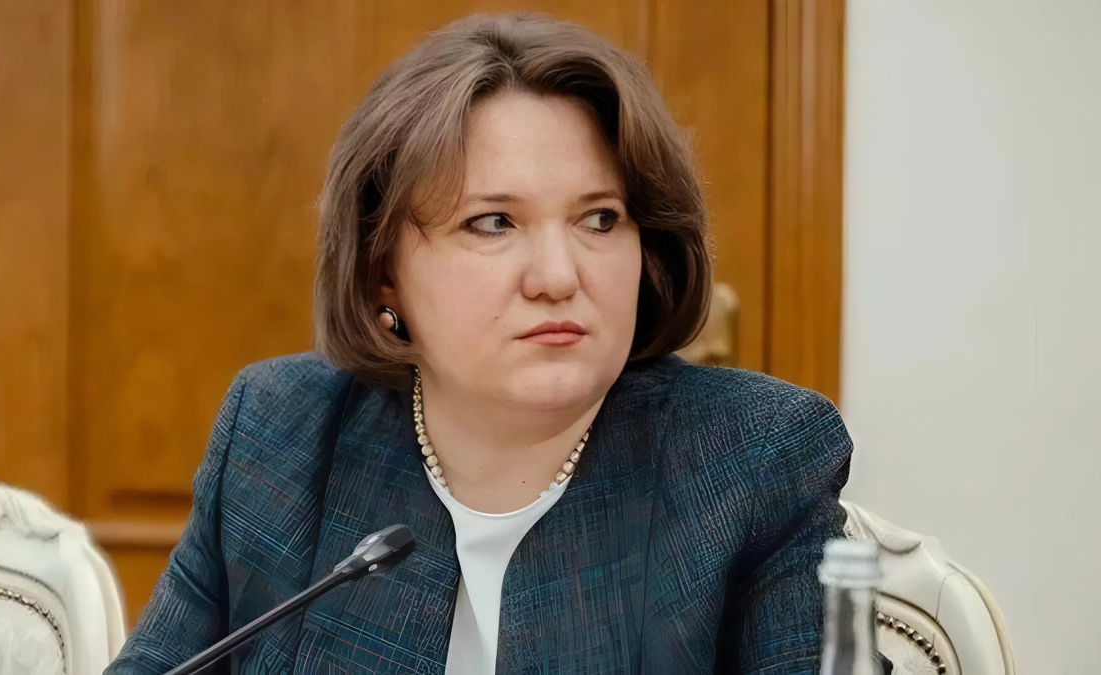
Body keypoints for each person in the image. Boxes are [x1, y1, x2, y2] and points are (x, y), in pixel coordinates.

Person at [107, 13, 853, 674]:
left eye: (599, 219)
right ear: (383, 273)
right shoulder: (281, 432)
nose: (558, 276)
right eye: (493, 223)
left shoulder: (751, 458)